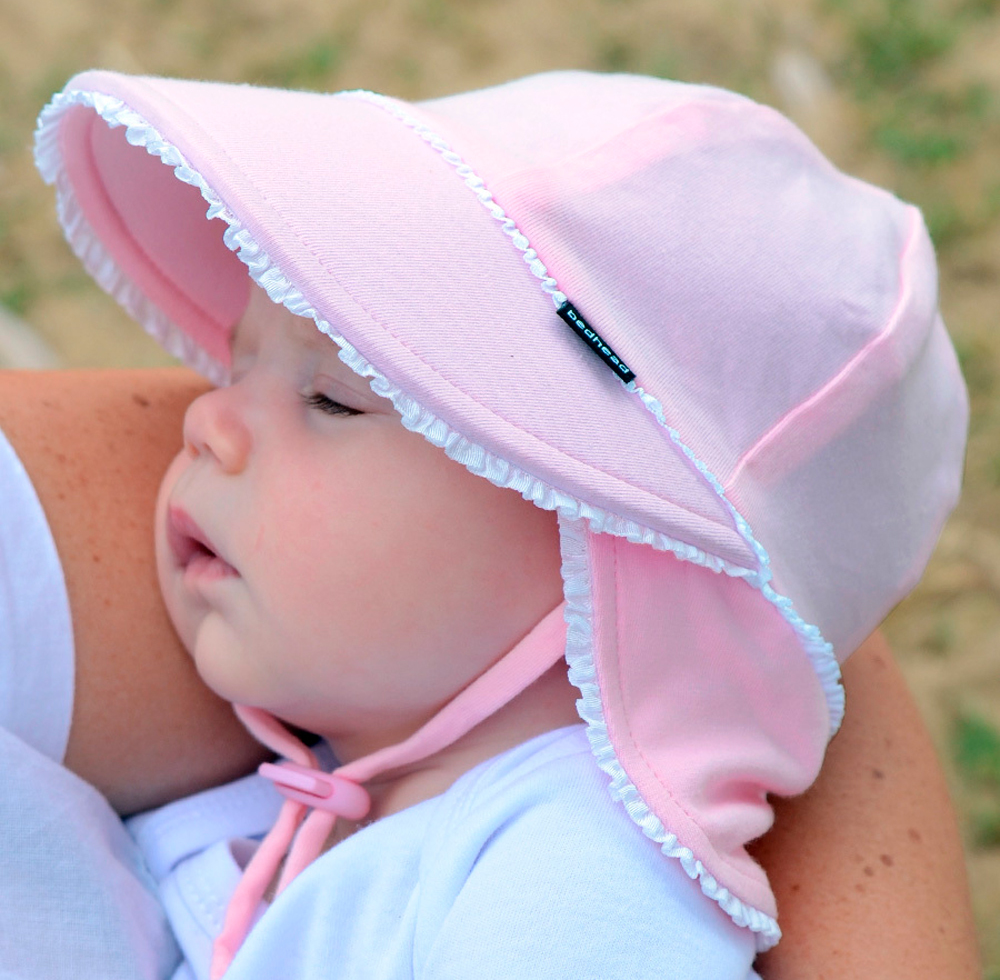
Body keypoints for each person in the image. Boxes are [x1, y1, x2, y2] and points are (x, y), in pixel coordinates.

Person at [0, 68, 977, 978]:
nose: (204, 420)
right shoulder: (293, 806)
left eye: (333, 398)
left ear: (612, 555)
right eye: (235, 367)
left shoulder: (572, 890)